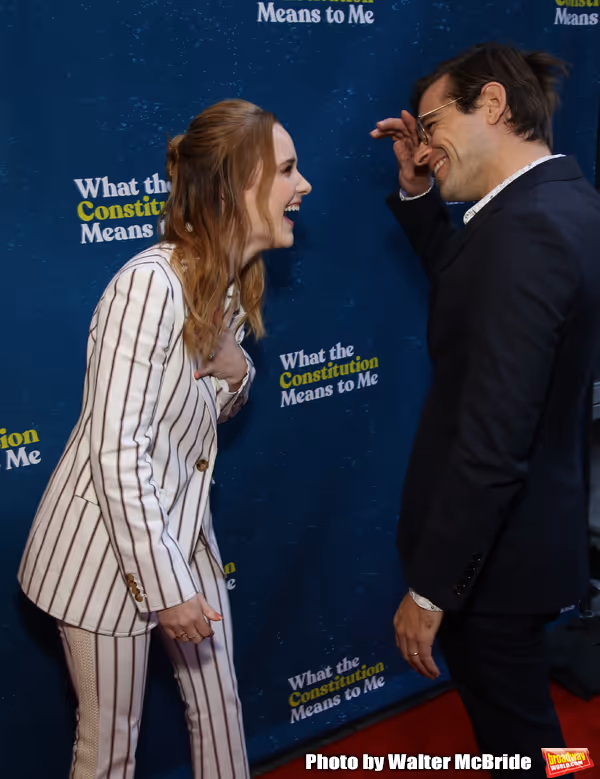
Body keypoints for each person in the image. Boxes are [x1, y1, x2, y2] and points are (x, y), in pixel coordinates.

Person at [18, 99, 311, 779]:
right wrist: (165, 588)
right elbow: (117, 451)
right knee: (109, 748)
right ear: (234, 189)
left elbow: (201, 411)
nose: (303, 185)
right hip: (104, 554)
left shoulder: (227, 283)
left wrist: (239, 371)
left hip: (183, 530)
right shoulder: (149, 287)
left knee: (221, 709)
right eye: (287, 169)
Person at [372, 43, 600, 775]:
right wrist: (418, 194)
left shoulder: (526, 233)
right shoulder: (560, 204)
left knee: (519, 739)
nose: (424, 146)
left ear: (493, 105)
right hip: (529, 539)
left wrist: (432, 587)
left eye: (434, 125)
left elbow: (494, 440)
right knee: (530, 719)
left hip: (494, 561)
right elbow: (474, 283)